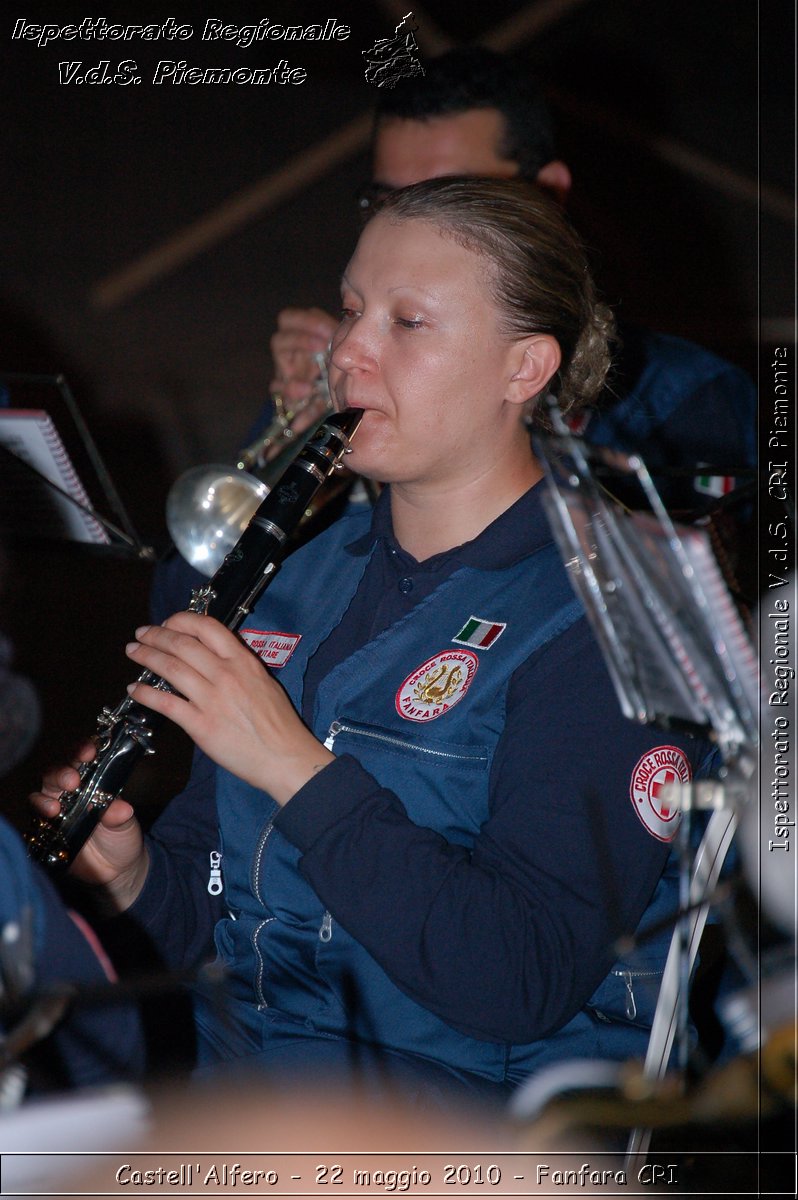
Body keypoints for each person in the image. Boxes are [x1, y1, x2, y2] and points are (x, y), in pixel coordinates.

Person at [14, 177, 719, 1102]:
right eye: (352, 310)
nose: (347, 351)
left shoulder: (606, 618)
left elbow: (522, 980)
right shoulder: (290, 576)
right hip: (241, 1092)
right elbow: (216, 916)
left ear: (526, 367)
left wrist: (296, 772)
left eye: (407, 323)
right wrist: (140, 877)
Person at [151, 47, 755, 625]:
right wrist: (302, 442)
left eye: (455, 194)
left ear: (548, 193)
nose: (412, 221)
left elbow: (727, 623)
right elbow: (185, 609)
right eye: (387, 199)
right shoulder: (354, 364)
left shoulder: (691, 398)